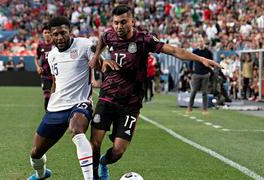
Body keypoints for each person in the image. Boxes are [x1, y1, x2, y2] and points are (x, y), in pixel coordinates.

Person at [88, 5, 221, 180]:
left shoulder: (144, 40)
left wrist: (200, 58)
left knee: (119, 150)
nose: (119, 26)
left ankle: (104, 163)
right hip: (107, 97)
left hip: (130, 103)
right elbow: (102, 40)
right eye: (115, 23)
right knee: (94, 143)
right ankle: (95, 176)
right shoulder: (109, 34)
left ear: (132, 22)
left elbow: (174, 50)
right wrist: (99, 57)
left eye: (123, 22)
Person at [28, 16, 95, 180]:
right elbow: (56, 81)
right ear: (50, 35)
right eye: (55, 34)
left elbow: (98, 60)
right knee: (36, 153)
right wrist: (51, 98)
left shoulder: (84, 45)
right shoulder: (51, 55)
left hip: (80, 102)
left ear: (70, 31)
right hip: (56, 107)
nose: (60, 37)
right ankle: (41, 174)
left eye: (63, 33)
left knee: (77, 131)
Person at [186, 37, 213, 114]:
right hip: (196, 74)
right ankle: (190, 107)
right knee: (193, 91)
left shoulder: (208, 52)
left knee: (204, 92)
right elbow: (191, 62)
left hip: (205, 74)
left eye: (201, 41)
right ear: (197, 43)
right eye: (199, 42)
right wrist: (191, 72)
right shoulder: (195, 51)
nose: (200, 43)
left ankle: (205, 109)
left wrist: (209, 71)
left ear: (203, 42)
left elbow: (211, 62)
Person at [35, 23, 53, 111]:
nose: (47, 34)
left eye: (49, 32)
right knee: (47, 96)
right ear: (42, 34)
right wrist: (38, 67)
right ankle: (47, 114)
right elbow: (36, 58)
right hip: (45, 75)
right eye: (45, 32)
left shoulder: (56, 45)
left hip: (56, 75)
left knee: (56, 96)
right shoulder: (40, 46)